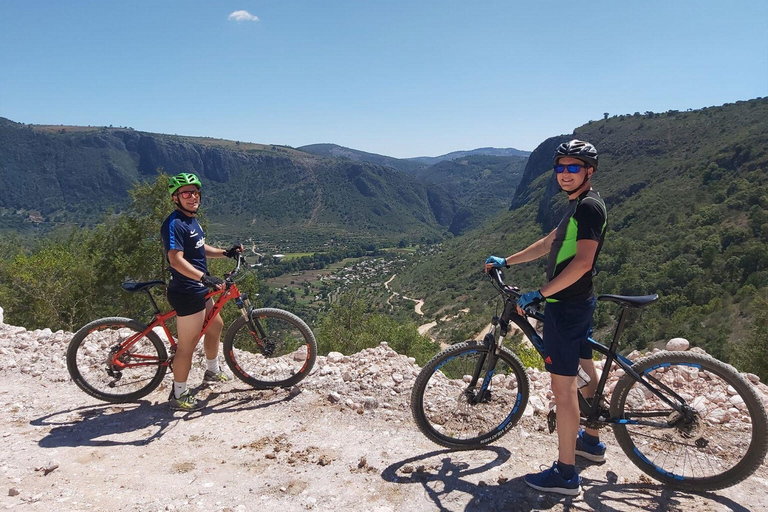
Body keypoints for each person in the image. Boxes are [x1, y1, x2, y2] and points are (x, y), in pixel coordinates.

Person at [485, 139, 607, 495]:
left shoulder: (588, 208)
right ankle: (592, 440)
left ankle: (566, 474)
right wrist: (507, 260)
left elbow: (583, 262)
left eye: (573, 167)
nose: (565, 174)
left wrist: (540, 293)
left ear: (589, 171)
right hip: (577, 303)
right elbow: (549, 243)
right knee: (584, 366)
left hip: (566, 308)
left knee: (563, 388)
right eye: (561, 167)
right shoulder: (578, 205)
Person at [161, 172, 242, 411]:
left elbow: (198, 248)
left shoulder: (191, 221)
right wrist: (203, 277)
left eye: (195, 192)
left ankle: (212, 371)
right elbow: (176, 260)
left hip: (198, 288)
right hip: (187, 291)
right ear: (175, 198)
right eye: (186, 193)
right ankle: (178, 394)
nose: (192, 197)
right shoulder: (174, 223)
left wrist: (225, 253)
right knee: (187, 345)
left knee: (215, 325)